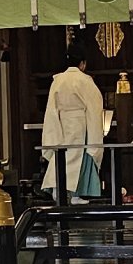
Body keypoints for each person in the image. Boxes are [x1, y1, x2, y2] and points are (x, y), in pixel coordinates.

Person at [39, 39, 109, 199]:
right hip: (80, 124)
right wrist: (95, 132)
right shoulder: (85, 81)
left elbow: (51, 109)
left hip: (61, 124)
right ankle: (76, 194)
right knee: (80, 156)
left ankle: (59, 190)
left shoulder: (58, 80)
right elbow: (94, 106)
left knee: (61, 157)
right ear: (82, 64)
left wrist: (51, 132)